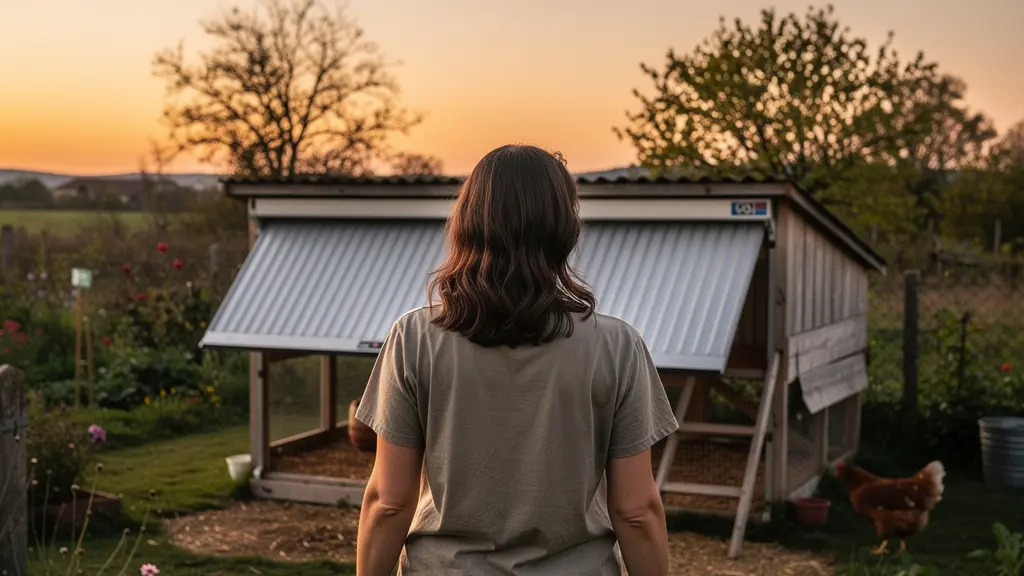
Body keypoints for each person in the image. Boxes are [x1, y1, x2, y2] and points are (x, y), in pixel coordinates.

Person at [354, 144, 680, 576]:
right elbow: (637, 512)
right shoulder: (618, 346)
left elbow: (389, 503)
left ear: (467, 223)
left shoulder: (414, 339)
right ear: (564, 228)